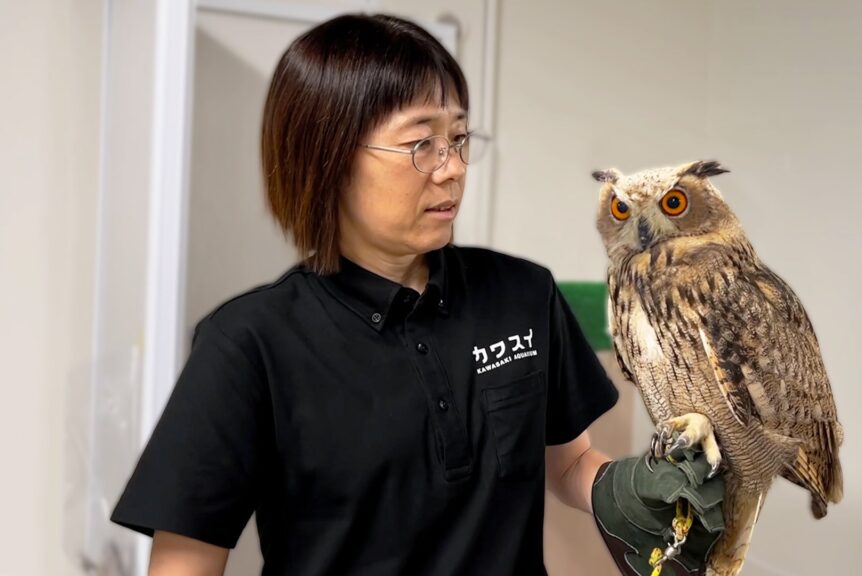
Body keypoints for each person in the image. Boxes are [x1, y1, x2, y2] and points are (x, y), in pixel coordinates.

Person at [111, 13, 722, 576]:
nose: (452, 166)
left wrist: (633, 491)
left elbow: (565, 464)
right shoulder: (248, 345)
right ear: (328, 157)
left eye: (457, 138)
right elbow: (184, 564)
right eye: (419, 143)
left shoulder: (521, 295)